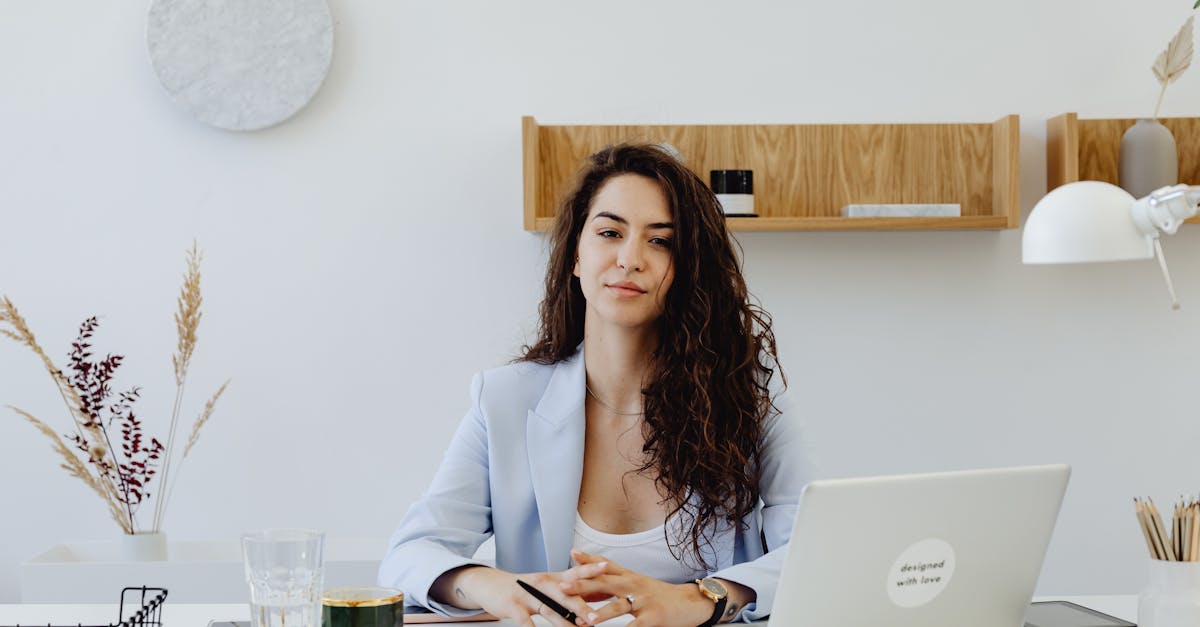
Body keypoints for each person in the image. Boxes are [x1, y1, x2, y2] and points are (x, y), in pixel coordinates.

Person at [379, 143, 813, 627]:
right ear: (576, 256)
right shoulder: (505, 400)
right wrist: (497, 586)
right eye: (610, 232)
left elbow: (811, 552)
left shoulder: (748, 395)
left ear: (688, 267)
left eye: (661, 241)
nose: (630, 259)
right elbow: (410, 554)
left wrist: (699, 599)